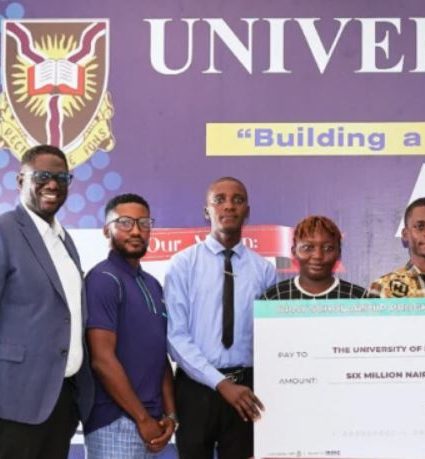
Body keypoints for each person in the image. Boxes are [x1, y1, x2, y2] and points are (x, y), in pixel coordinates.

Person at [165, 177, 277, 459]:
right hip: (195, 389)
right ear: (207, 210)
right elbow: (176, 336)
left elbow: (270, 338)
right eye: (220, 199)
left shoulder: (264, 270)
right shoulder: (183, 264)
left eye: (237, 200)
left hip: (247, 390)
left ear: (247, 211)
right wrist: (220, 383)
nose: (229, 206)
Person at [0, 144, 94, 459]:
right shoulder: (4, 232)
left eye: (61, 177)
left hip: (61, 402)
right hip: (14, 403)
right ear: (20, 180)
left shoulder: (65, 241)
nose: (53, 184)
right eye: (42, 176)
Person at [84, 193, 176, 458]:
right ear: (106, 230)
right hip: (116, 421)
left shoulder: (152, 284)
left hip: (152, 421)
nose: (136, 231)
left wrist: (169, 415)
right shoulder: (103, 279)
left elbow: (160, 356)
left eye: (144, 223)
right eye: (125, 223)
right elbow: (102, 360)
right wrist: (142, 419)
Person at [262, 215, 370, 299]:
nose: (318, 256)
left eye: (328, 248)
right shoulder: (273, 297)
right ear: (294, 252)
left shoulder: (360, 298)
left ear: (338, 253)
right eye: (308, 248)